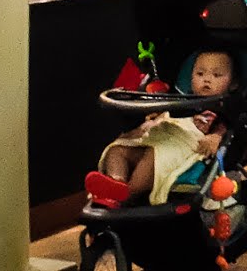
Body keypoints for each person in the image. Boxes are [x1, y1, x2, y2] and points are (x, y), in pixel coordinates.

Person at [88, 50, 235, 206]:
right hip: (160, 136)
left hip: (183, 144)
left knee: (153, 156)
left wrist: (216, 137)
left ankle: (127, 195)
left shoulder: (221, 107)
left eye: (216, 75)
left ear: (233, 83)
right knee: (118, 150)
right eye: (200, 74)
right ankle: (116, 182)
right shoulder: (178, 99)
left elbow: (227, 126)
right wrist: (154, 121)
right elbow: (167, 117)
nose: (207, 79)